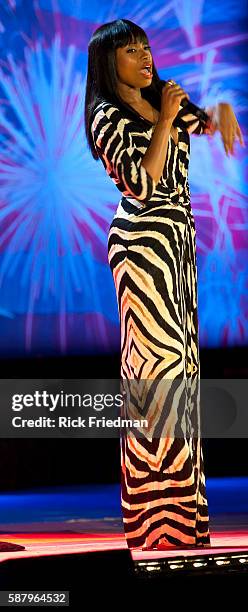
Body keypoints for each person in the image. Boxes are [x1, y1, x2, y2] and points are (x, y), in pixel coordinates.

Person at [84, 18, 244, 551]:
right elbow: (141, 180)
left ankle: (180, 521)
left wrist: (215, 110)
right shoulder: (108, 116)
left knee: (182, 378)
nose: (143, 56)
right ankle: (154, 523)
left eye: (145, 46)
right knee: (155, 382)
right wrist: (167, 120)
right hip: (143, 245)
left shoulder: (163, 102)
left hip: (176, 244)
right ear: (110, 65)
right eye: (130, 50)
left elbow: (203, 123)